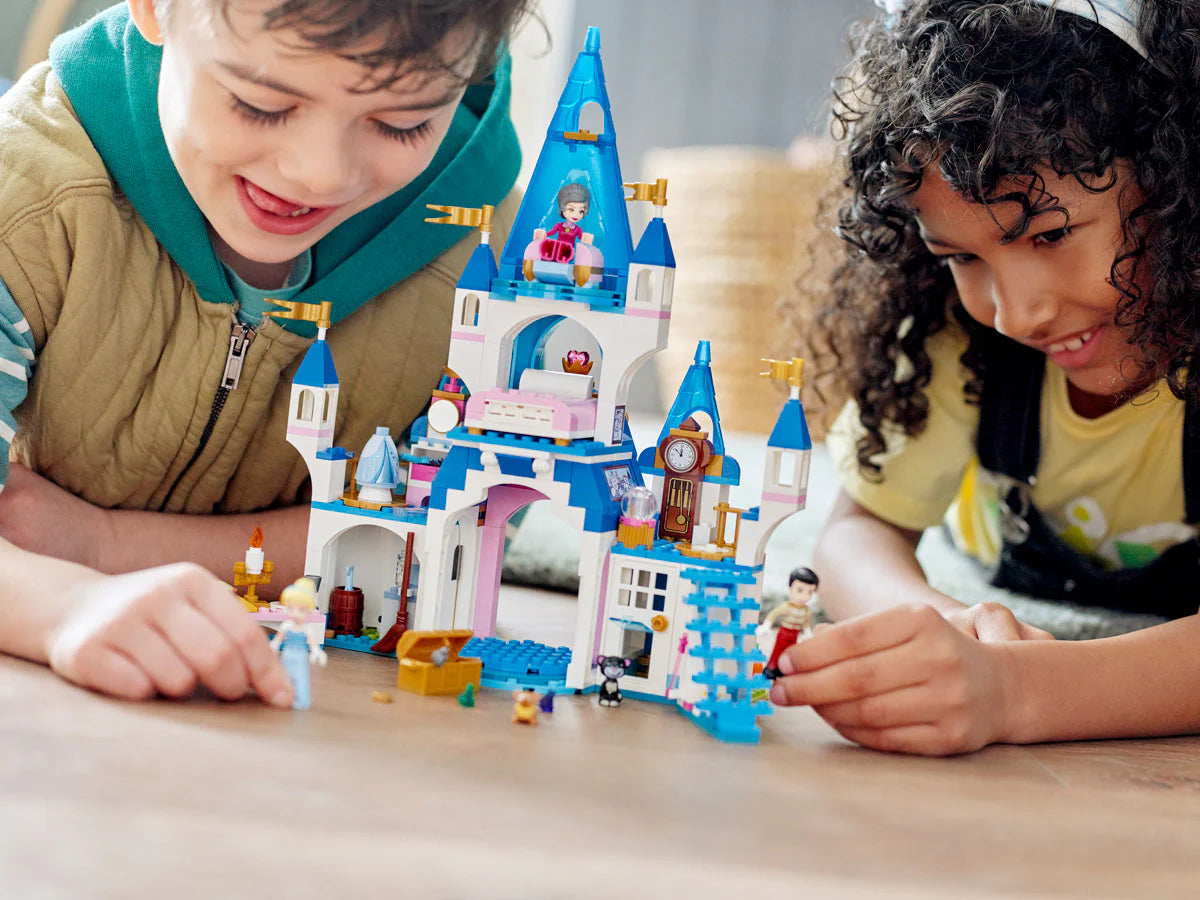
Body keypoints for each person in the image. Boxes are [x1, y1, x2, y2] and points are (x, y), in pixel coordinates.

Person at [0, 0, 530, 706]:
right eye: (261, 104)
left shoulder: (504, 265)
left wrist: (104, 546)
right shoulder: (25, 188)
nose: (319, 174)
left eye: (403, 123)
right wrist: (57, 605)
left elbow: (460, 538)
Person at [771, 0, 1200, 755]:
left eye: (1051, 234)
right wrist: (942, 628)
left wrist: (1020, 691)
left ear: (1175, 184)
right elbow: (856, 532)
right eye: (963, 257)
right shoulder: (959, 341)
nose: (1018, 313)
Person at [757, 567, 817, 680]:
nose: (804, 596)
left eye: (810, 592)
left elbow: (806, 624)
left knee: (790, 651)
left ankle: (784, 669)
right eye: (800, 590)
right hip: (784, 632)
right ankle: (771, 668)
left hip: (795, 634)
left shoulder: (807, 611)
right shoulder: (787, 606)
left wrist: (808, 634)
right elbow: (773, 614)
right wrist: (766, 625)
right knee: (778, 650)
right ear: (791, 588)